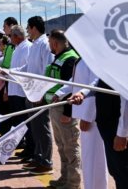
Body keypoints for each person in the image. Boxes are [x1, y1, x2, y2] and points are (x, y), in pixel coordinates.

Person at [54, 59, 108, 189]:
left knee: (94, 159)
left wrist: (88, 116)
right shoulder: (83, 56)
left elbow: (96, 86)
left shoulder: (94, 57)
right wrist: (60, 93)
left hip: (93, 118)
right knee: (89, 159)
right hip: (85, 113)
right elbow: (76, 81)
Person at [69, 82, 128, 189]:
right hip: (107, 127)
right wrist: (83, 93)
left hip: (117, 128)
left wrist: (122, 134)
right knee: (116, 170)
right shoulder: (108, 66)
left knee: (123, 171)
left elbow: (126, 100)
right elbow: (99, 81)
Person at [44, 30, 80, 189]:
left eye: (50, 43)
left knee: (71, 148)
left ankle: (73, 183)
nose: (49, 46)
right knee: (61, 146)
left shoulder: (70, 59)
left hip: (64, 110)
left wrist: (68, 113)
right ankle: (64, 179)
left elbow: (72, 88)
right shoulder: (58, 57)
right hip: (55, 107)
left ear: (55, 43)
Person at [19, 16, 54, 175]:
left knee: (42, 126)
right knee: (35, 127)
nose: (27, 31)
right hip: (31, 92)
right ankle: (38, 157)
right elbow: (28, 67)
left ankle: (46, 161)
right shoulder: (35, 45)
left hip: (39, 94)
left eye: (28, 28)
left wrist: (43, 92)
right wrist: (10, 72)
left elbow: (48, 69)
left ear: (34, 28)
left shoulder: (45, 44)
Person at [5, 25, 32, 139]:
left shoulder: (28, 47)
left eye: (11, 36)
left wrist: (10, 71)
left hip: (21, 91)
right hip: (14, 90)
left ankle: (28, 146)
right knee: (18, 120)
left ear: (16, 36)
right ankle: (22, 143)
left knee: (25, 120)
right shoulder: (17, 48)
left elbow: (27, 67)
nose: (9, 38)